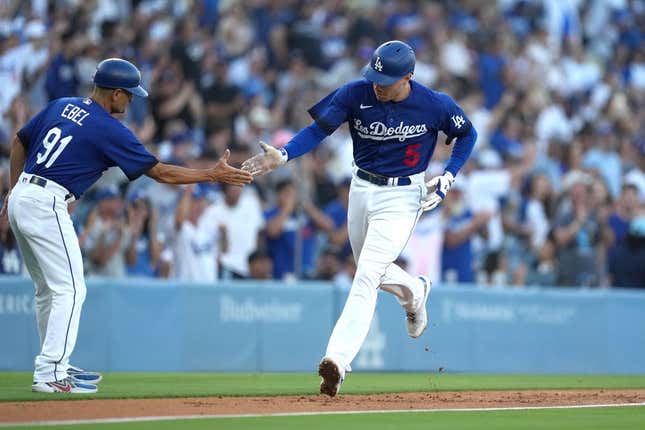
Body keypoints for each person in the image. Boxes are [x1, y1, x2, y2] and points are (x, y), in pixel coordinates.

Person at [0, 58, 252, 394]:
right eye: (129, 95)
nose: (132, 100)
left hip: (24, 195)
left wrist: (12, 193)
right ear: (115, 93)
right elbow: (159, 172)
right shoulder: (108, 127)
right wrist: (211, 174)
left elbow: (19, 142)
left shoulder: (62, 104)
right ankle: (50, 371)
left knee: (49, 291)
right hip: (47, 202)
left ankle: (55, 362)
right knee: (71, 290)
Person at [242, 41, 476, 396]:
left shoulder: (433, 103)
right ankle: (415, 290)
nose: (379, 83)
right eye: (376, 75)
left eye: (388, 78)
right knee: (370, 267)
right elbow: (319, 130)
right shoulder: (356, 93)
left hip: (403, 194)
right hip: (362, 188)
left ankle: (336, 360)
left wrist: (448, 176)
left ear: (408, 77)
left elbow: (467, 134)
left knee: (366, 273)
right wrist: (285, 154)